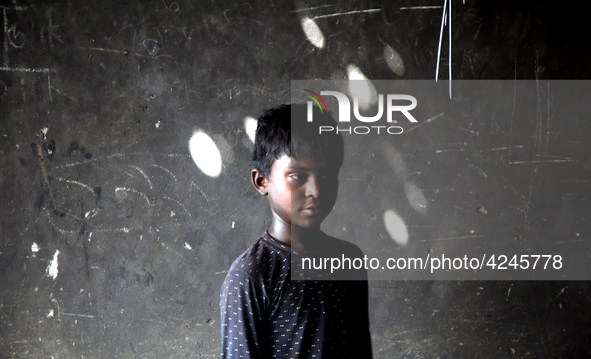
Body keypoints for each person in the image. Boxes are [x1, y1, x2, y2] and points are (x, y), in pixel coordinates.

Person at [220, 104, 372, 358]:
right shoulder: (250, 277)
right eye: (298, 177)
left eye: (326, 176)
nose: (316, 191)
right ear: (261, 181)